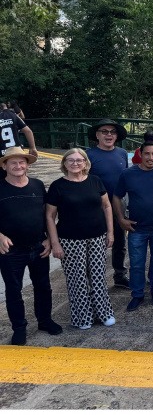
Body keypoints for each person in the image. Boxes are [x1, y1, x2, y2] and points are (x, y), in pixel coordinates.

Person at [45, 148, 117, 330]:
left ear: (85, 162)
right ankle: (82, 317)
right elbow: (49, 216)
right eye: (71, 160)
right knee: (76, 279)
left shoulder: (95, 181)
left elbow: (107, 206)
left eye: (79, 160)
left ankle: (104, 313)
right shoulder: (57, 186)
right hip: (70, 240)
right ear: (64, 164)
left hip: (97, 237)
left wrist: (110, 233)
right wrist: (55, 243)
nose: (75, 163)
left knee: (98, 276)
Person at [0, 147, 61, 345]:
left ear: (27, 165)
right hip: (10, 250)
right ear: (4, 165)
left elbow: (46, 214)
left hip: (38, 245)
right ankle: (19, 327)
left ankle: (44, 320)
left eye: (21, 162)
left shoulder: (37, 185)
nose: (18, 166)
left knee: (43, 286)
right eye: (13, 162)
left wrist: (48, 239)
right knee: (14, 290)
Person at [113, 141, 153, 311]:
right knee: (137, 263)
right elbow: (116, 197)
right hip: (136, 227)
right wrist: (121, 218)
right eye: (147, 154)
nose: (150, 157)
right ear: (140, 154)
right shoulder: (128, 174)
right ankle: (137, 294)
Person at [87, 119, 131, 289]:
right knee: (97, 245)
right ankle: (95, 280)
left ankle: (120, 275)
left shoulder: (121, 153)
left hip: (118, 204)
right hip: (97, 208)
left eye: (112, 132)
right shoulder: (89, 156)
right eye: (104, 131)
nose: (109, 135)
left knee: (120, 243)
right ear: (97, 135)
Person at [0, 103, 38, 179]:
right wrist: (33, 147)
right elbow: (28, 131)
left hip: (1, 154)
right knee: (19, 177)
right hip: (16, 152)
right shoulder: (12, 115)